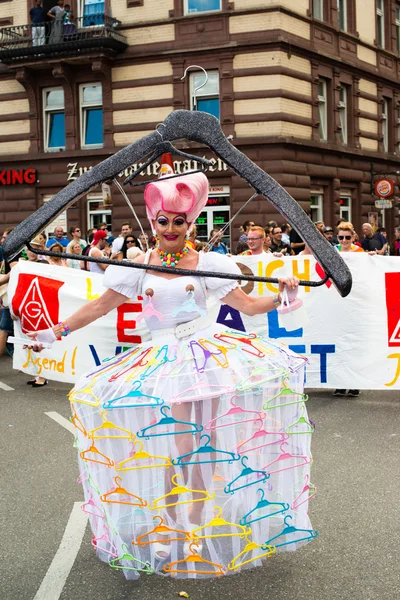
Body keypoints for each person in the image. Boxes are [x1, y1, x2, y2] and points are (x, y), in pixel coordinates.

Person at [26, 171, 313, 579]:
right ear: (152, 222)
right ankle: (172, 522)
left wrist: (285, 290)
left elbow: (249, 306)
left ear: (190, 223)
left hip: (206, 358)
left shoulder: (210, 264)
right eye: (164, 221)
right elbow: (97, 307)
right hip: (164, 362)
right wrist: (54, 332)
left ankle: (189, 524)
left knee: (203, 447)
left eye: (179, 221)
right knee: (178, 447)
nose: (171, 228)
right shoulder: (137, 267)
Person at [333, 222, 362, 398]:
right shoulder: (333, 251)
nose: (344, 240)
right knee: (337, 340)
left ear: (353, 237)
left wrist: (372, 257)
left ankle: (354, 382)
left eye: (347, 237)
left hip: (354, 300)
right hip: (335, 300)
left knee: (353, 341)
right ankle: (339, 381)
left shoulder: (359, 252)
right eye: (341, 237)